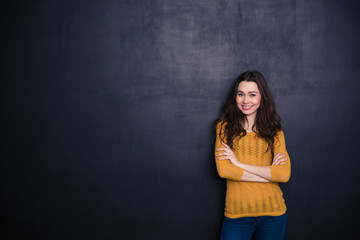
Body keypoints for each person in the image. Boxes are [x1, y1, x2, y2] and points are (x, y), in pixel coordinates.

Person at [214, 71, 291, 240]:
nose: (245, 100)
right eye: (241, 94)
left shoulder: (274, 130)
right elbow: (225, 171)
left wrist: (238, 164)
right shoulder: (224, 128)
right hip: (237, 215)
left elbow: (284, 175)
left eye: (252, 94)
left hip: (273, 214)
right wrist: (270, 175)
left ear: (262, 97)